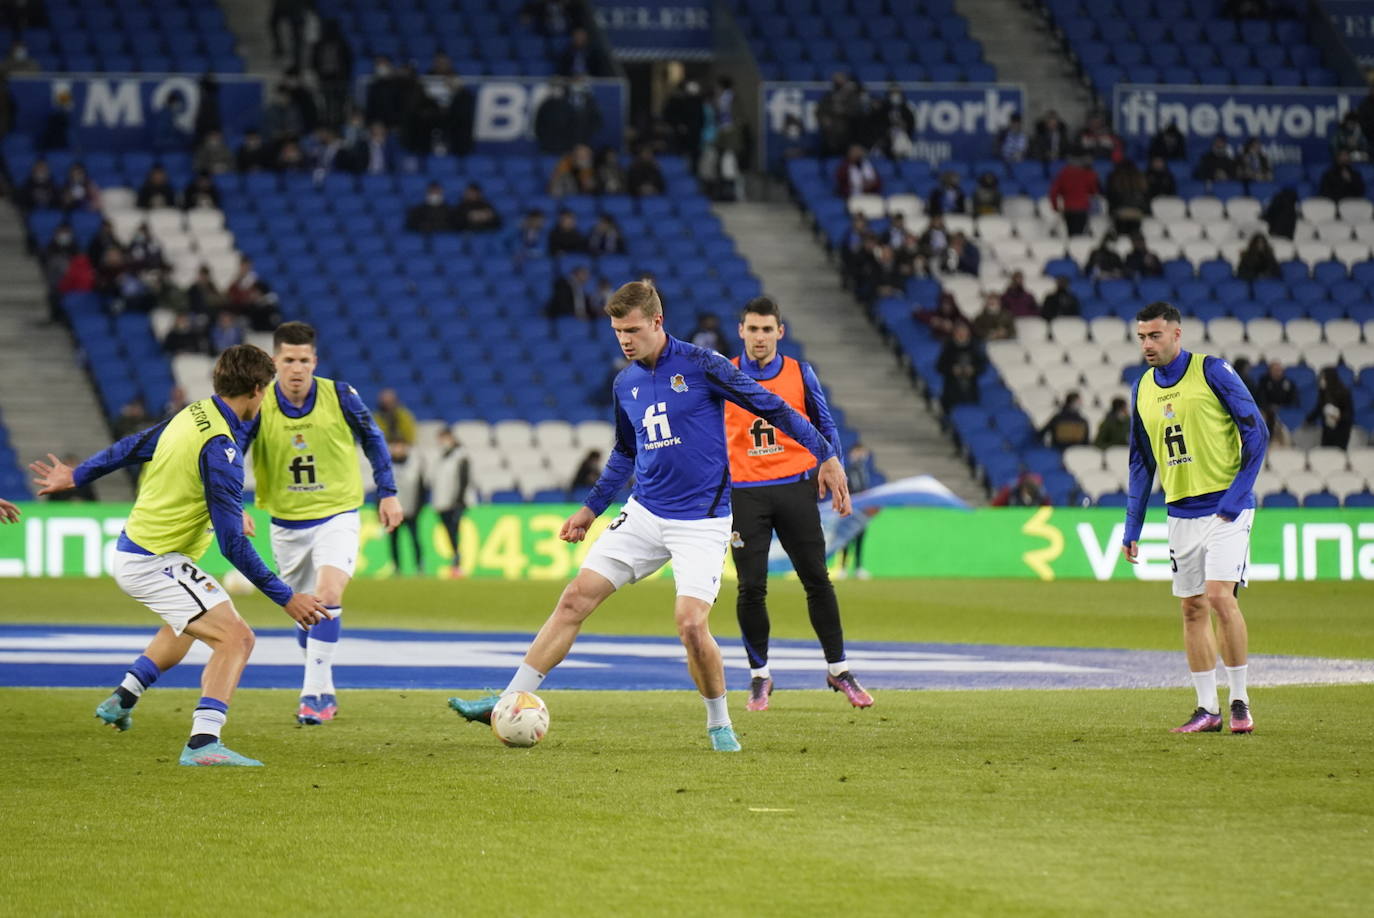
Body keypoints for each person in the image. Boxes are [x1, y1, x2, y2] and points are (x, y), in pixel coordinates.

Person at [447, 281, 850, 752]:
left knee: (690, 624)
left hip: (701, 520)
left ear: (658, 322)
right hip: (644, 512)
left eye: (632, 329)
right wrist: (589, 509)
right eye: (618, 330)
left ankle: (719, 723)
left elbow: (774, 407)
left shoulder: (704, 365)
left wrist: (825, 455)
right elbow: (624, 451)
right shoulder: (626, 382)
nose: (624, 339)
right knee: (575, 599)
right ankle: (509, 699)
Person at [28, 345, 331, 765]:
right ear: (259, 390)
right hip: (153, 561)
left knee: (187, 626)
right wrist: (287, 597)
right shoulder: (221, 449)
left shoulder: (195, 413)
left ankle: (122, 699)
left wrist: (77, 474)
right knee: (237, 638)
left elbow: (134, 446)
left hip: (146, 550)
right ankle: (203, 743)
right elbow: (233, 545)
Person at [1123, 301, 1267, 734]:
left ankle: (1240, 701)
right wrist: (1133, 527)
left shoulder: (1212, 371)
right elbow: (1141, 461)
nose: (1148, 344)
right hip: (1180, 512)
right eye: (1142, 337)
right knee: (1191, 609)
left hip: (1227, 507)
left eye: (1155, 335)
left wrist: (1237, 496)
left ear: (1176, 334)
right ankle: (1208, 709)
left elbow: (1256, 431)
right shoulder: (1143, 388)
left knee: (1222, 597)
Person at [723, 297, 871, 712]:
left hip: (795, 487)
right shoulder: (724, 375)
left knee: (817, 580)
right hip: (744, 492)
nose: (759, 337)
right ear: (742, 331)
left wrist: (833, 467)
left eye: (767, 330)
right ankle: (759, 677)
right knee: (751, 587)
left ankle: (839, 669)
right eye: (752, 329)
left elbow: (825, 424)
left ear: (779, 332)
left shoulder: (799, 374)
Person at [250, 322, 402, 724]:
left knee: (329, 593)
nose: (296, 368)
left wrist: (387, 491)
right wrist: (232, 504)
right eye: (288, 360)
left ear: (314, 361)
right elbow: (231, 450)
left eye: (304, 360)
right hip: (286, 523)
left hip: (337, 513)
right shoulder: (258, 402)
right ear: (274, 362)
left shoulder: (340, 395)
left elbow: (373, 438)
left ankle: (311, 695)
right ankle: (325, 683)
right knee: (306, 612)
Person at [431, 428, 472, 577]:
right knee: (449, 532)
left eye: (444, 438)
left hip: (455, 502)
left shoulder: (461, 455)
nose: (442, 442)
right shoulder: (441, 456)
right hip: (442, 502)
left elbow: (464, 478)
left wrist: (459, 500)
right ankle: (455, 561)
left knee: (455, 531)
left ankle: (458, 564)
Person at [385, 438, 424, 575]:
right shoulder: (386, 466)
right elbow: (381, 490)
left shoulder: (414, 464)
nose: (398, 449)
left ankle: (419, 566)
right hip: (393, 512)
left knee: (414, 539)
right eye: (395, 446)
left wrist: (419, 508)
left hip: (411, 510)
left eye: (400, 446)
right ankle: (396, 567)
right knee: (394, 541)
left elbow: (421, 488)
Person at [1049, 153, 1099, 236]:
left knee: (1072, 234)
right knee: (1079, 235)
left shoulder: (1064, 173)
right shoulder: (1088, 173)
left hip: (1069, 209)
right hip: (1082, 208)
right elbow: (1094, 191)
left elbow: (1053, 192)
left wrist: (1055, 207)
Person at [1307, 367, 1354, 449]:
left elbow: (1349, 412)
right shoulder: (1323, 392)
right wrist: (1308, 420)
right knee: (1326, 453)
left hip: (1341, 429)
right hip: (1327, 429)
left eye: (1323, 378)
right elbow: (1319, 408)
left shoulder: (1344, 392)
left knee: (1338, 453)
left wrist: (1339, 417)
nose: (1321, 380)